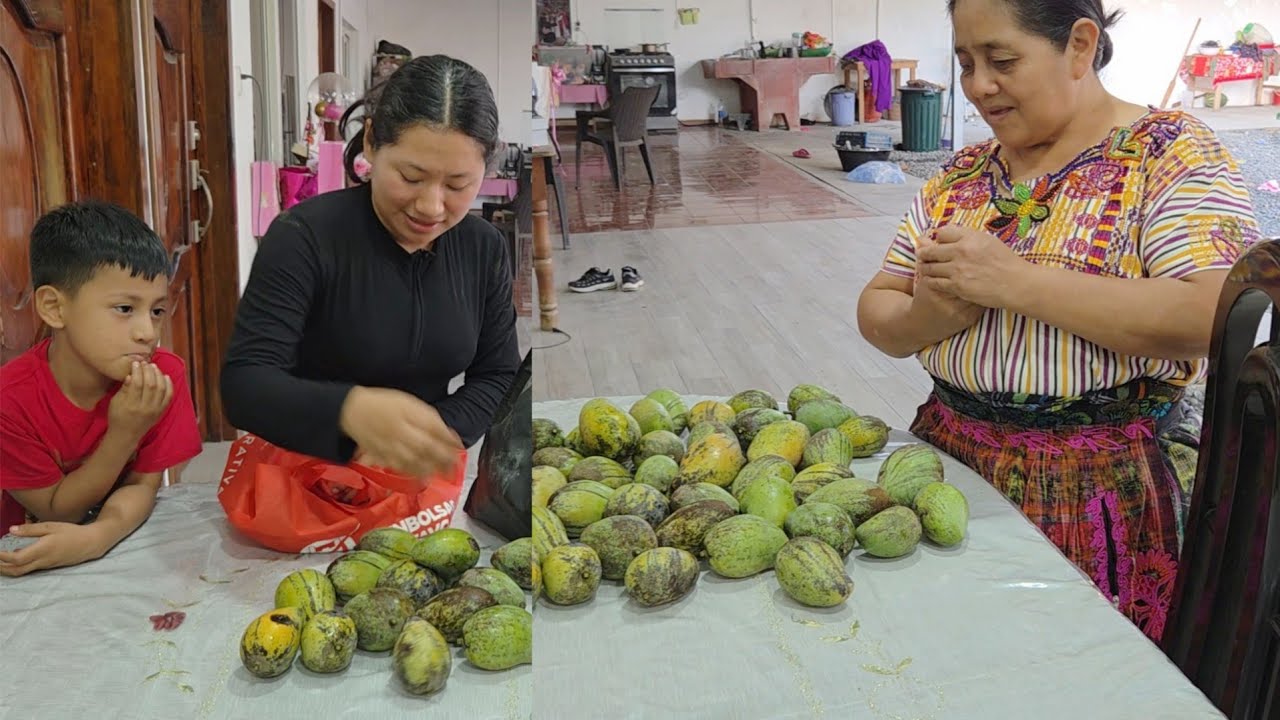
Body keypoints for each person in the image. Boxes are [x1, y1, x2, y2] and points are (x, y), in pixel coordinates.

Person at [856, 0, 1262, 643]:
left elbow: (1213, 311)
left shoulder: (1168, 156)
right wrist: (924, 316)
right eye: (965, 63)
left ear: (1079, 45)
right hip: (946, 469)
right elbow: (878, 307)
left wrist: (1016, 283)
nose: (978, 85)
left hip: (1101, 496)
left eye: (1002, 60)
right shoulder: (961, 176)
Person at [221, 54, 521, 482]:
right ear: (372, 143)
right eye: (411, 176)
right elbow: (245, 387)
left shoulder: (483, 247)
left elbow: (498, 374)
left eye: (458, 185)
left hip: (419, 480)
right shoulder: (304, 237)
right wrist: (350, 411)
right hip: (304, 478)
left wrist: (427, 435)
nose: (431, 206)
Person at [0, 202, 203, 577]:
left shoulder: (162, 377)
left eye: (157, 311)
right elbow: (58, 508)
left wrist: (99, 537)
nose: (148, 333)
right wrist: (123, 434)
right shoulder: (9, 401)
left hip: (118, 546)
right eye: (125, 308)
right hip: (29, 558)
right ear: (54, 308)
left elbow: (144, 484)